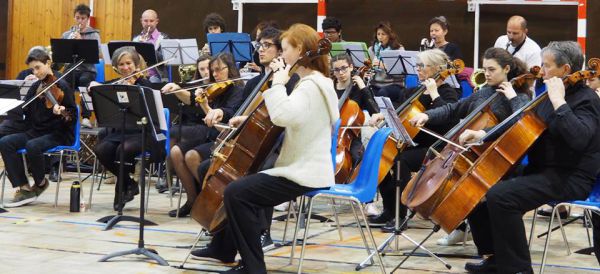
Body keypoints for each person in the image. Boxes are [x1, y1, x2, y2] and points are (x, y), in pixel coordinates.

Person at [192, 23, 339, 274]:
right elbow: (290, 118)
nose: (282, 55)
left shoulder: (311, 86)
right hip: (304, 167)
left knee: (237, 192)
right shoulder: (316, 83)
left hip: (303, 171)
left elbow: (282, 115)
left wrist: (279, 83)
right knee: (239, 188)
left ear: (300, 50)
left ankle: (253, 267)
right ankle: (227, 249)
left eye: (284, 49)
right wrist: (247, 121)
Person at [452, 41, 600, 274]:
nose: (541, 70)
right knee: (478, 185)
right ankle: (496, 257)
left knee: (501, 196)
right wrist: (483, 134)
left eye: (547, 65)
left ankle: (518, 269)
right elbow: (522, 124)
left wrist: (560, 102)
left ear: (566, 70)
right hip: (542, 170)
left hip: (571, 175)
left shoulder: (586, 100)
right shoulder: (545, 96)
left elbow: (580, 139)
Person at [409, 47, 533, 246]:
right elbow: (454, 108)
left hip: (502, 164)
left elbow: (521, 123)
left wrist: (512, 97)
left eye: (492, 69)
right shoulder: (484, 92)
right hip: (477, 160)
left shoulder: (520, 97)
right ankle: (485, 251)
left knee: (476, 200)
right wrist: (428, 115)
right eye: (485, 69)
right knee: (470, 200)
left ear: (507, 68)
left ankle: (490, 251)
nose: (487, 74)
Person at [367, 49, 461, 230]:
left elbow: (450, 118)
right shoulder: (418, 90)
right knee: (383, 156)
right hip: (416, 143)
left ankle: (400, 216)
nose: (417, 70)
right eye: (416, 66)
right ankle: (389, 210)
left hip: (437, 146)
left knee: (401, 161)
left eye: (421, 66)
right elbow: (401, 108)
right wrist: (382, 114)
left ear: (436, 68)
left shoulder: (448, 93)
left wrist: (435, 94)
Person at [161, 52, 244, 217]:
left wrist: (208, 106)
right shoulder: (214, 89)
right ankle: (192, 199)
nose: (215, 74)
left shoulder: (237, 90)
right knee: (176, 152)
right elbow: (198, 106)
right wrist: (184, 92)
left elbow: (225, 115)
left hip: (223, 138)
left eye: (219, 69)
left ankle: (210, 199)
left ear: (231, 69)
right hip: (209, 134)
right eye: (213, 70)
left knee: (191, 156)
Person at [0, 49, 76, 208]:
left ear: (48, 63)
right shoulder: (35, 86)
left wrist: (61, 112)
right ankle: (24, 188)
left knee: (32, 145)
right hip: (36, 131)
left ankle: (40, 182)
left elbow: (71, 117)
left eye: (38, 67)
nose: (35, 72)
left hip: (58, 133)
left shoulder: (62, 85)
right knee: (6, 142)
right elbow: (24, 111)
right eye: (33, 69)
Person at [91, 47, 164, 211]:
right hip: (122, 131)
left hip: (144, 132)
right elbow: (100, 89)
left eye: (128, 63)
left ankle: (121, 191)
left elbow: (154, 111)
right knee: (101, 149)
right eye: (121, 64)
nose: (125, 68)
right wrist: (94, 85)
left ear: (136, 64)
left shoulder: (145, 84)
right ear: (116, 67)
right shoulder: (116, 85)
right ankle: (129, 183)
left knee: (123, 150)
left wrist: (136, 87)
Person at [330, 53, 378, 167]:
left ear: (351, 67)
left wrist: (363, 87)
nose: (341, 73)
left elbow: (374, 111)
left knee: (358, 158)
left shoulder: (358, 89)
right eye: (336, 70)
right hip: (327, 132)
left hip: (350, 136)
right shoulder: (329, 87)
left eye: (344, 68)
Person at [61, 3, 101, 128]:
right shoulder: (66, 34)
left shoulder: (94, 34)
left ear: (87, 19)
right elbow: (62, 56)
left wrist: (81, 42)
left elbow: (97, 55)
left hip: (87, 70)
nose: (80, 21)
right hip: (71, 69)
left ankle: (86, 117)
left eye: (83, 18)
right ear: (74, 17)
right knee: (63, 82)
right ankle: (68, 114)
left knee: (84, 80)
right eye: (78, 18)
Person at [132, 9, 169, 83]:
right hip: (138, 75)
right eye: (145, 21)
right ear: (141, 21)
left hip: (156, 77)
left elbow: (165, 60)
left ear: (157, 22)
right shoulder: (136, 39)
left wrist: (148, 48)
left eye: (151, 21)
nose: (148, 24)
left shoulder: (163, 38)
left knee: (151, 81)